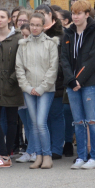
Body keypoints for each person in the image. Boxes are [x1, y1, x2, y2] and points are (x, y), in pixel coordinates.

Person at [62, 0, 95, 170]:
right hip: (72, 84)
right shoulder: (68, 33)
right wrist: (71, 80)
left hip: (91, 83)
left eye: (79, 13)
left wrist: (78, 80)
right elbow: (64, 59)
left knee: (93, 121)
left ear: (87, 14)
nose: (75, 16)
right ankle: (81, 156)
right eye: (73, 13)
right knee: (78, 122)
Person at [16, 12, 60, 169]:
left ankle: (47, 155)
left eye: (37, 25)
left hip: (45, 90)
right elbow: (19, 68)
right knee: (34, 123)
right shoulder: (23, 44)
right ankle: (38, 155)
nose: (34, 28)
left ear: (43, 26)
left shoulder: (51, 44)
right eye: (32, 24)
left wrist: (41, 88)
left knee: (41, 122)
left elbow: (52, 69)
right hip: (28, 89)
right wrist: (27, 87)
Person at [0, 9, 23, 169]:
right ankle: (3, 155)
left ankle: (7, 155)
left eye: (2, 17)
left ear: (9, 20)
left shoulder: (18, 38)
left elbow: (21, 60)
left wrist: (12, 79)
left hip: (11, 84)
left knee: (11, 121)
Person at [37, 4, 69, 158]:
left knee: (56, 115)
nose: (41, 16)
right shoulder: (34, 36)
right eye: (37, 14)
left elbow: (63, 62)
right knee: (43, 118)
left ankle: (56, 148)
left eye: (43, 13)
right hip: (37, 84)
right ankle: (45, 148)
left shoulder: (61, 37)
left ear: (52, 17)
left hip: (56, 83)